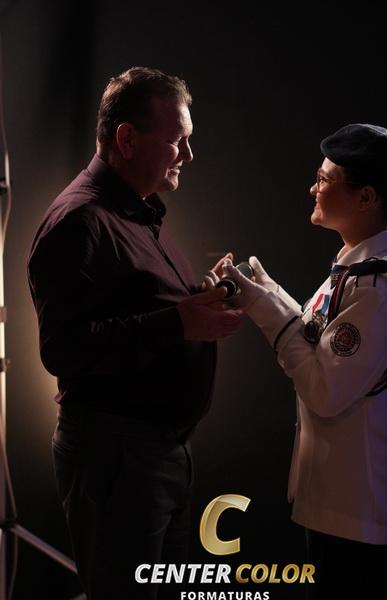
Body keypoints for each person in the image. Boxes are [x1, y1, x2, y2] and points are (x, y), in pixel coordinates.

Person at [27, 66, 243, 600]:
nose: (188, 155)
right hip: (118, 462)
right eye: (177, 141)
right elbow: (63, 349)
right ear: (127, 139)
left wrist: (198, 295)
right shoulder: (78, 221)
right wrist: (180, 321)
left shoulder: (135, 211)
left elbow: (138, 303)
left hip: (155, 458)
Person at [217, 124, 387, 599]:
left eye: (324, 179)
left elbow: (324, 390)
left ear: (365, 197)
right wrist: (266, 291)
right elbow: (319, 338)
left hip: (364, 518)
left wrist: (262, 307)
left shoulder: (376, 287)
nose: (313, 188)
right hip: (348, 507)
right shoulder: (357, 267)